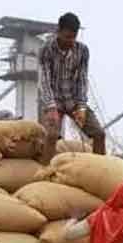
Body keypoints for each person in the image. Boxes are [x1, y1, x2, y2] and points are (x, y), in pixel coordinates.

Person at [38, 12, 105, 161]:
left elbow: (82, 78)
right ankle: (45, 172)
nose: (71, 41)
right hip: (54, 101)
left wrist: (81, 106)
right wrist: (51, 107)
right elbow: (44, 80)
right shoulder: (46, 49)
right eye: (67, 37)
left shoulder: (82, 51)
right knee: (52, 135)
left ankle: (100, 167)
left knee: (99, 134)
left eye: (74, 37)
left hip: (73, 100)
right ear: (58, 32)